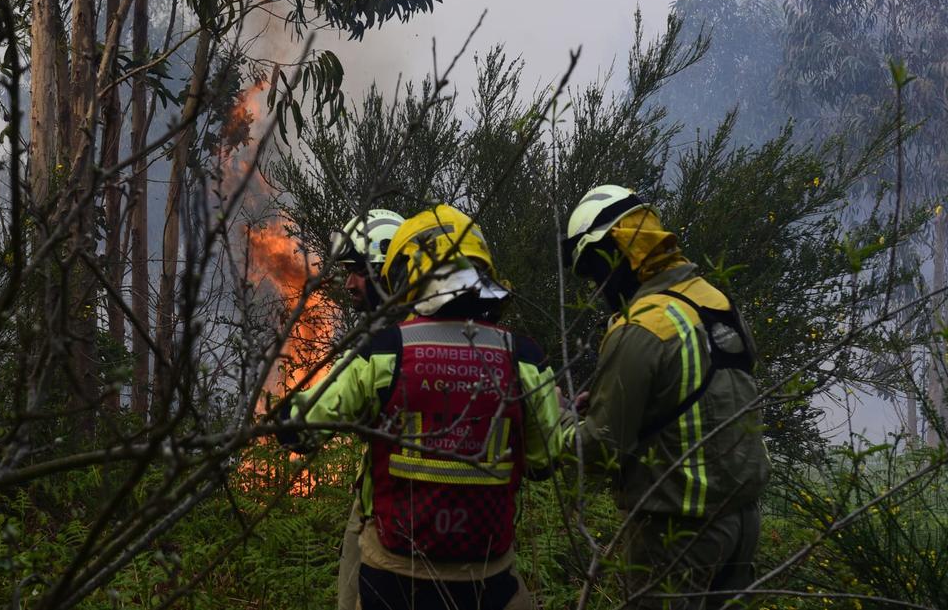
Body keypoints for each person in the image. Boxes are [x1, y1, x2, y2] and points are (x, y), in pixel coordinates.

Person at [281, 205, 562, 610]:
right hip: (487, 577)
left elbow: (301, 431)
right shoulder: (523, 357)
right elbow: (544, 462)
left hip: (393, 576)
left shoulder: (386, 352)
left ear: (406, 272)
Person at [558, 185, 771, 610]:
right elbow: (700, 399)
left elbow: (598, 451)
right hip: (743, 525)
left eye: (595, 274)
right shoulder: (715, 301)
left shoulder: (643, 326)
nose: (597, 290)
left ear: (616, 255)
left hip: (677, 535)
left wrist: (561, 419)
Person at [326, 208, 405, 610]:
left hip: (387, 521)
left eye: (358, 270)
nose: (349, 283)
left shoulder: (389, 345)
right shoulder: (397, 334)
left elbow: (315, 419)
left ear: (386, 270)